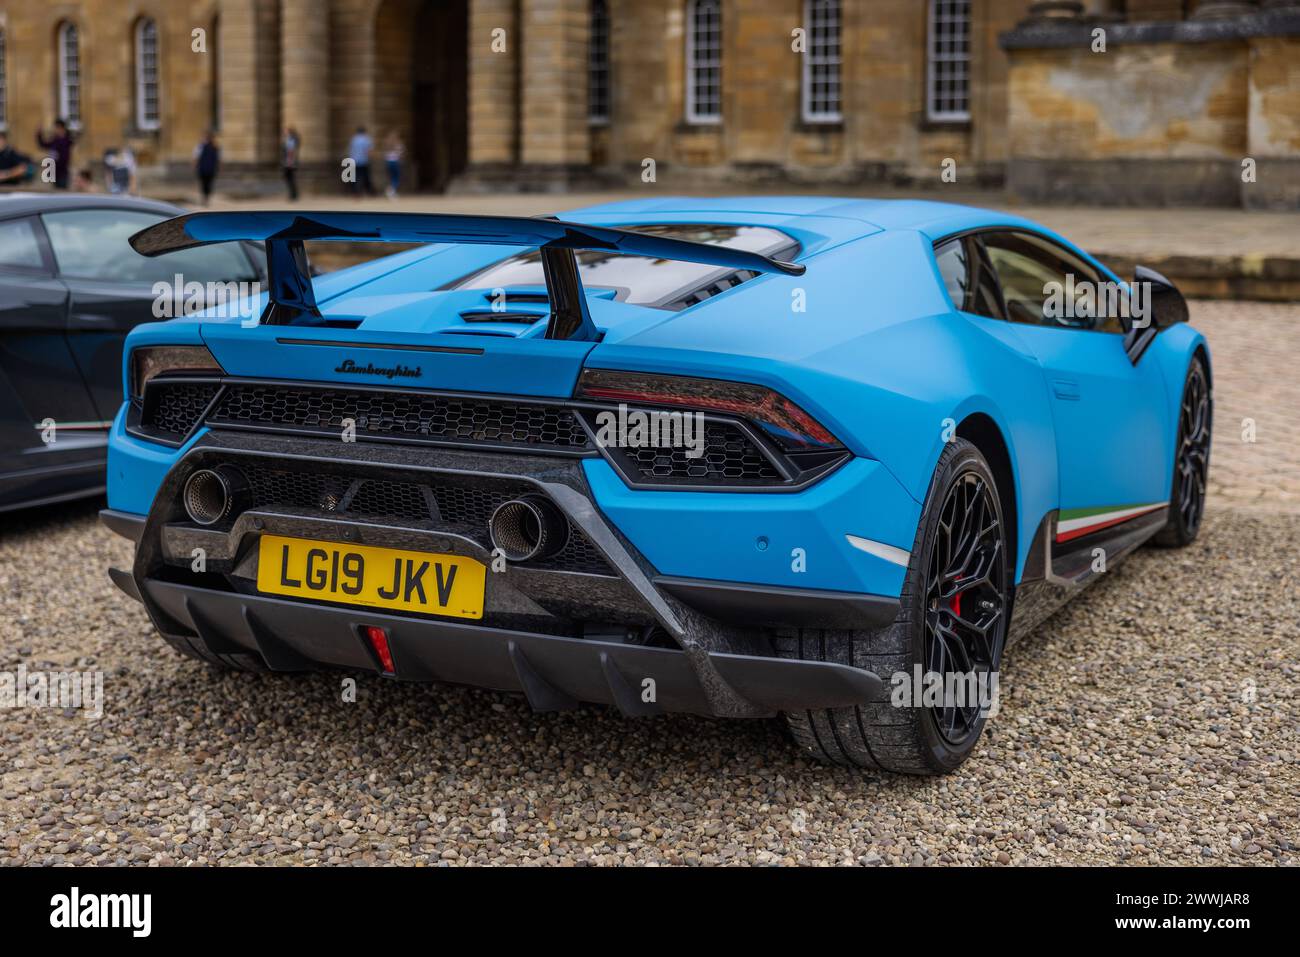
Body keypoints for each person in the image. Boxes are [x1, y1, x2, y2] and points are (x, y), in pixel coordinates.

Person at [36, 119, 74, 189]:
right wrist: (39, 134)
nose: (55, 130)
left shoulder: (65, 142)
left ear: (61, 128)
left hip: (62, 173)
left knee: (61, 193)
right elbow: (44, 145)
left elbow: (63, 159)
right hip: (54, 172)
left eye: (56, 128)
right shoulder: (55, 140)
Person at [194, 131, 220, 205]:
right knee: (204, 183)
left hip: (210, 168)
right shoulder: (201, 146)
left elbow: (218, 158)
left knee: (208, 183)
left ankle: (206, 197)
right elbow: (196, 156)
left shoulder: (215, 147)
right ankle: (205, 197)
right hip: (203, 167)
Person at [348, 126, 373, 197]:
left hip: (354, 161)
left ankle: (356, 192)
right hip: (363, 161)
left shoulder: (354, 139)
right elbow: (368, 151)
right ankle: (367, 191)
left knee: (354, 177)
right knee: (365, 177)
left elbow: (351, 150)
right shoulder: (366, 139)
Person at [383, 130, 404, 199]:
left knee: (391, 177)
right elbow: (400, 154)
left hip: (388, 162)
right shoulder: (398, 144)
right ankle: (390, 191)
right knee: (396, 178)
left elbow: (384, 154)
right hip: (395, 161)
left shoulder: (387, 144)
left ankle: (392, 191)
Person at [282, 127, 301, 201]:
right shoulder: (291, 139)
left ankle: (293, 195)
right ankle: (293, 194)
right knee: (290, 178)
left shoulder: (290, 139)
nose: (284, 132)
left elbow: (290, 151)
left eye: (286, 131)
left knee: (289, 178)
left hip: (289, 162)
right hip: (290, 162)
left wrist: (289, 163)